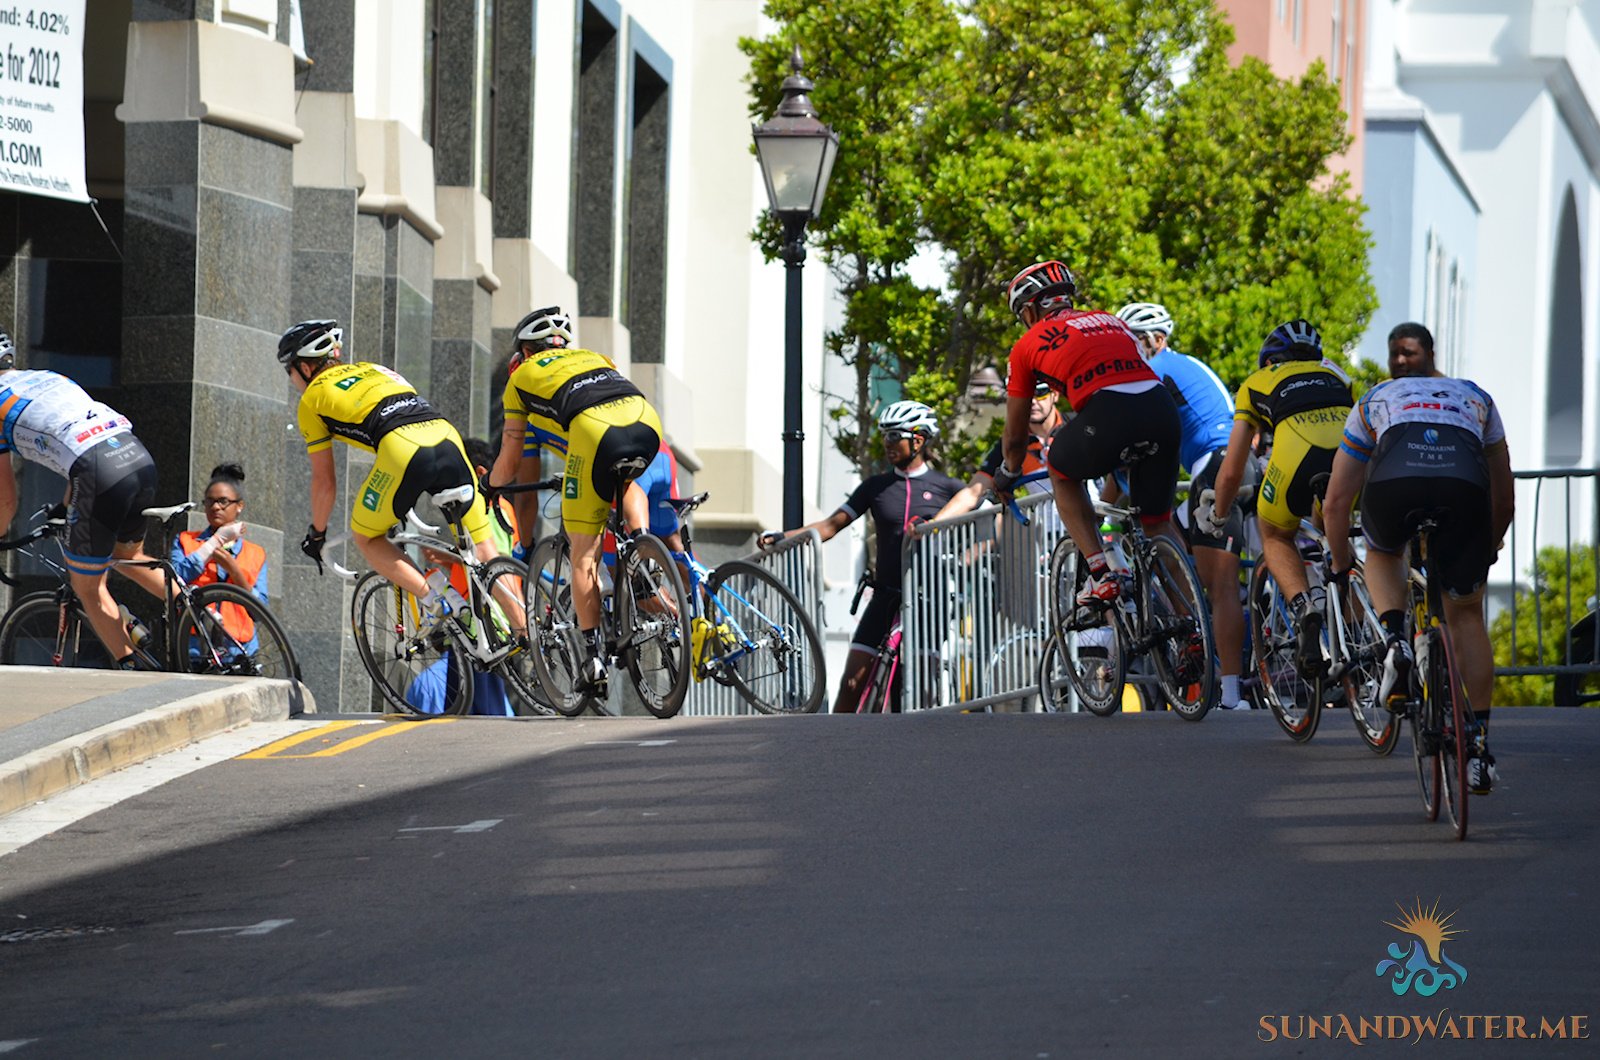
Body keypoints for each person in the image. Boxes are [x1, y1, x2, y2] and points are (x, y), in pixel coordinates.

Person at [1324, 372, 1513, 794]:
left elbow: (1336, 502)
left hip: (1397, 480)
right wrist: (1486, 548)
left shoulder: (1374, 399)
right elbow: (1503, 499)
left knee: (1385, 551)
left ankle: (1395, 640)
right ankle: (1479, 749)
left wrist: (1340, 561)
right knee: (1466, 615)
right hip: (1462, 484)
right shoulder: (1477, 397)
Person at [489, 306, 665, 694]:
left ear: (524, 352)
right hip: (647, 422)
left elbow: (514, 466)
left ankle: (592, 660)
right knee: (626, 481)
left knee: (584, 555)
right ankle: (641, 550)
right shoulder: (595, 358)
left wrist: (491, 486)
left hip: (594, 435)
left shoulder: (521, 380)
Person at [279, 319, 495, 633]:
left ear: (305, 367)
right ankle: (527, 633)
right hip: (447, 436)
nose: (292, 380)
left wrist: (317, 533)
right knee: (486, 550)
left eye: (290, 371)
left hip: (402, 449)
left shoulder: (311, 399)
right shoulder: (374, 369)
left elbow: (324, 482)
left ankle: (435, 599)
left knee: (366, 536)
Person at [989, 261, 1182, 609]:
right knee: (1157, 525)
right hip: (1161, 409)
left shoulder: (1026, 345)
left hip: (1110, 412)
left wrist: (1007, 473)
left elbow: (1016, 437)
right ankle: (1194, 623)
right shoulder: (1112, 320)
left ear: (1030, 310)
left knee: (1060, 467)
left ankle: (1100, 573)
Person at [758, 400, 963, 712]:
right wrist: (783, 537)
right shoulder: (876, 487)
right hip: (885, 594)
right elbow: (830, 526)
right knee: (852, 682)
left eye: (894, 436)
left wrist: (966, 558)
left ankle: (916, 740)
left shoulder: (947, 487)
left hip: (928, 598)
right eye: (885, 436)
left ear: (918, 440)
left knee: (918, 687)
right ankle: (834, 738)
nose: (887, 443)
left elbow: (991, 521)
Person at [0, 326, 165, 669]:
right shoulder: (47, 377)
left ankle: (132, 671)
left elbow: (6, 500)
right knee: (129, 556)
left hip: (99, 471)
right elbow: (77, 448)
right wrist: (64, 507)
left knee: (88, 587)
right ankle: (210, 617)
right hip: (136, 454)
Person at [1116, 301, 1253, 711]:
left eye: (1132, 342)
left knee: (1221, 586)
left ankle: (1230, 693)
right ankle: (1194, 627)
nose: (1127, 351)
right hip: (1237, 461)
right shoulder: (1185, 364)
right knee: (1167, 537)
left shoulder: (1155, 370)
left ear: (1156, 340)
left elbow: (1132, 435)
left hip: (1213, 468)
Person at [1204, 320, 1353, 677]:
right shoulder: (1337, 373)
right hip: (1351, 459)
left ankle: (1304, 607)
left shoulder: (1257, 381)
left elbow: (1232, 470)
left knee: (1274, 534)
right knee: (1338, 537)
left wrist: (1219, 514)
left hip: (1298, 458)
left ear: (1270, 360)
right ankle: (1363, 635)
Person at [171, 462, 269, 660]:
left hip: (239, 650)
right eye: (210, 501)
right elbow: (172, 580)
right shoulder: (185, 541)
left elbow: (260, 612)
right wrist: (209, 547)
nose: (215, 507)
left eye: (223, 501)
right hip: (194, 647)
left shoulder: (255, 553)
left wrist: (234, 571)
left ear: (239, 506)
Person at [934, 381, 1063, 520]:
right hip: (1051, 530)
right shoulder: (1013, 443)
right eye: (1024, 395)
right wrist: (933, 524)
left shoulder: (1074, 428)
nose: (1032, 401)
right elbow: (972, 492)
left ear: (1055, 395)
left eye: (1040, 393)